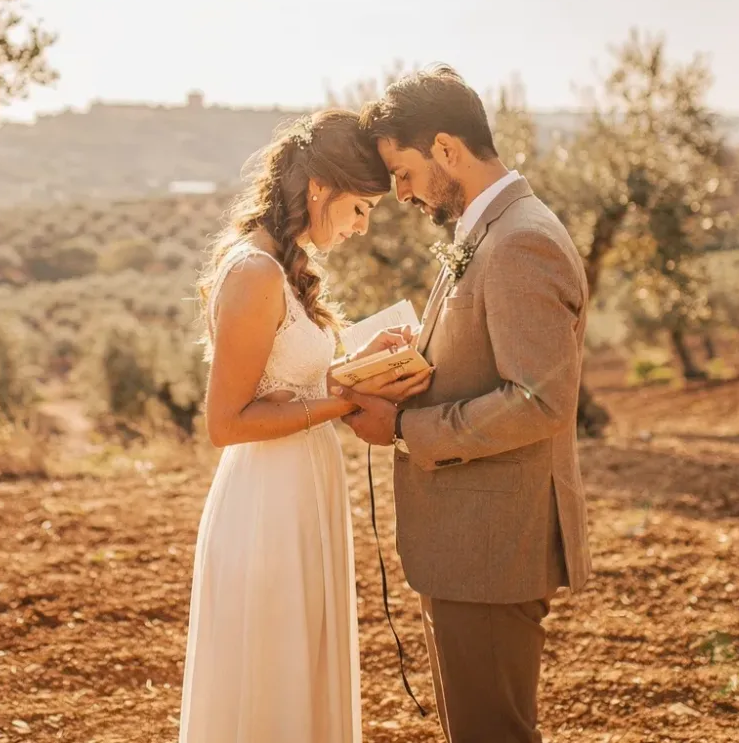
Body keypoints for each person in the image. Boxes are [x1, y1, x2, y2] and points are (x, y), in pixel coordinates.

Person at [337, 66, 592, 743]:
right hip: (469, 544)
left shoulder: (520, 241)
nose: (401, 193)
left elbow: (538, 401)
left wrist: (402, 425)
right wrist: (415, 357)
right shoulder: (488, 232)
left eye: (403, 172)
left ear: (446, 149)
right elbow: (486, 362)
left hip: (491, 546)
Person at [178, 109, 432, 743]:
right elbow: (227, 422)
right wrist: (346, 394)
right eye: (359, 209)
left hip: (303, 490)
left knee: (301, 667)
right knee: (272, 677)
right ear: (319, 188)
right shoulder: (255, 271)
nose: (359, 228)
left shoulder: (282, 268)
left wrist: (363, 369)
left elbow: (292, 385)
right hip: (266, 505)